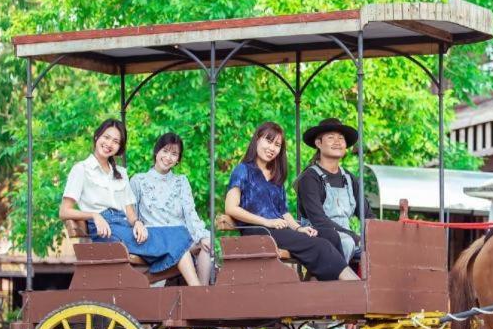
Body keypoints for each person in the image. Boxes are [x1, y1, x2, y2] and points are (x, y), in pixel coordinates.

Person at [59, 119, 202, 286]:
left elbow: (130, 212)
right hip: (107, 233)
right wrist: (94, 215)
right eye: (106, 137)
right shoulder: (81, 169)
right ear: (97, 136)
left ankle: (196, 291)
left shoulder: (120, 173)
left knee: (179, 234)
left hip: (125, 228)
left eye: (116, 141)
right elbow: (64, 211)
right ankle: (197, 293)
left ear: (119, 147)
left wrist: (138, 224)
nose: (109, 144)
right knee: (179, 242)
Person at [224, 121, 359, 282]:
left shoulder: (275, 176)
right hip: (258, 230)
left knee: (329, 236)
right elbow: (231, 208)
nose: (272, 148)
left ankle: (327, 287)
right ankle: (351, 285)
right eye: (268, 141)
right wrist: (268, 222)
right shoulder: (243, 170)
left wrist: (299, 228)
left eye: (277, 145)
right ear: (257, 140)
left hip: (278, 229)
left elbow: (283, 211)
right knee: (320, 246)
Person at [130, 132, 212, 285]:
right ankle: (198, 294)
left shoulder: (181, 181)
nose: (168, 157)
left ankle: (203, 291)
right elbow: (131, 215)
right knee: (179, 247)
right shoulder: (138, 180)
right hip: (154, 241)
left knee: (207, 244)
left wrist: (202, 236)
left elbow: (190, 213)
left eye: (174, 154)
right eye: (165, 151)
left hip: (180, 238)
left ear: (178, 160)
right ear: (157, 151)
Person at [297, 117, 372, 262]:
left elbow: (367, 214)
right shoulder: (310, 178)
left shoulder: (349, 178)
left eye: (341, 138)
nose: (337, 142)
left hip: (348, 237)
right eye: (331, 138)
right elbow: (318, 220)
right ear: (318, 143)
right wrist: (352, 236)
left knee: (376, 248)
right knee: (346, 242)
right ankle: (334, 282)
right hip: (316, 235)